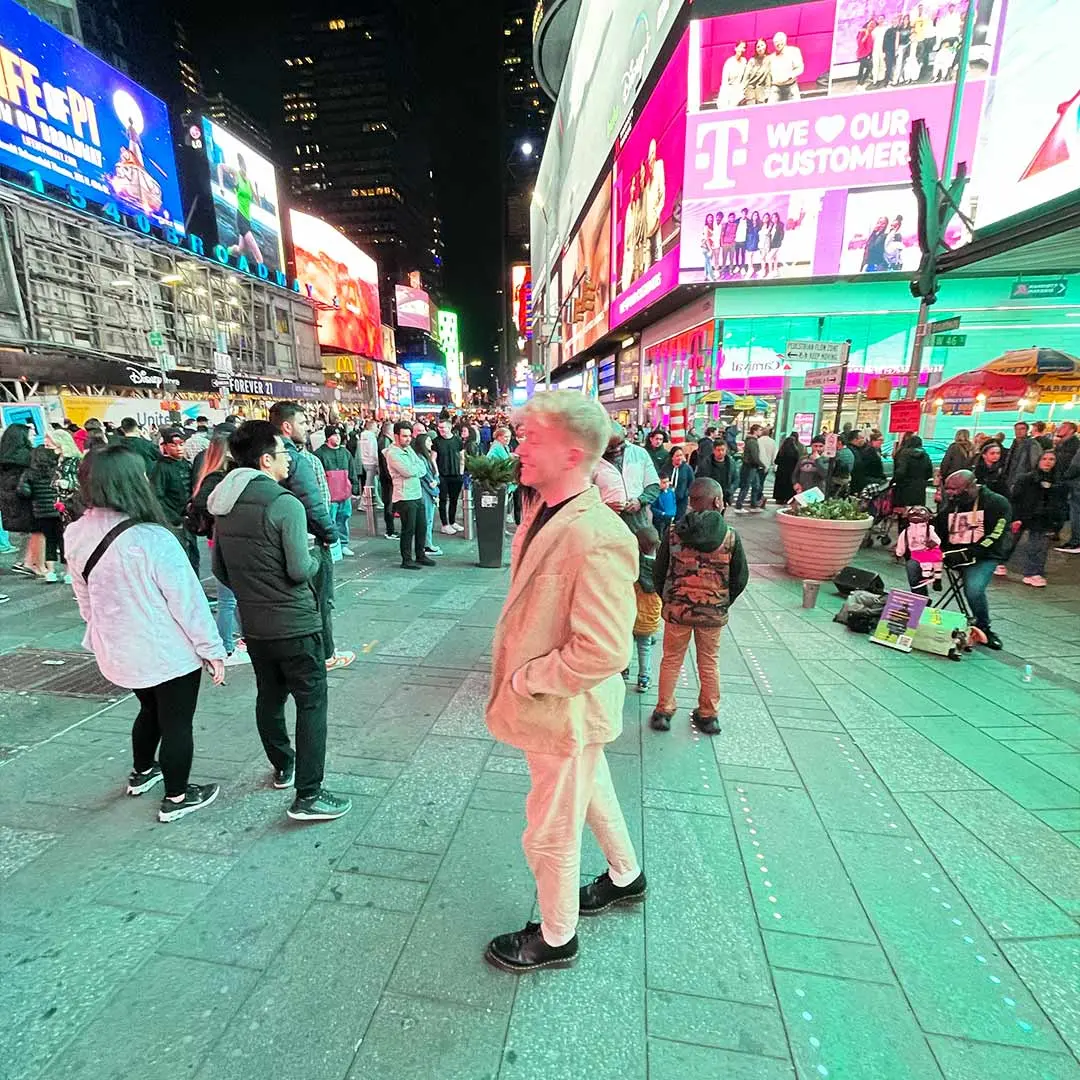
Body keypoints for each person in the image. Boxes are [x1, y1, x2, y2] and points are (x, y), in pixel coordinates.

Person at [483, 391, 644, 974]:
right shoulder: (544, 509)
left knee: (549, 828)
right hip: (566, 707)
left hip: (563, 708)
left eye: (532, 439)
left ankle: (556, 936)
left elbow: (603, 648)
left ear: (573, 454)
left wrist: (528, 680)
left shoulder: (596, 533)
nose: (518, 446)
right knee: (593, 787)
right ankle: (626, 876)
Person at [67, 446, 225, 822]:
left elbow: (84, 599)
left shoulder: (75, 532)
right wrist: (211, 649)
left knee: (149, 708)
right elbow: (188, 603)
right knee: (176, 722)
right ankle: (177, 796)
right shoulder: (152, 538)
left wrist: (102, 633)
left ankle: (142, 773)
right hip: (165, 651)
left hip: (119, 650)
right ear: (132, 482)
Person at [209, 421, 351, 822]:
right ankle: (309, 793)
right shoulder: (284, 503)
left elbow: (220, 570)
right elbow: (297, 569)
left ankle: (284, 766)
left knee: (269, 697)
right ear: (266, 459)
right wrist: (318, 557)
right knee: (311, 702)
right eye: (283, 453)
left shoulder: (225, 504)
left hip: (255, 625)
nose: (290, 460)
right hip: (295, 623)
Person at [651, 478, 748, 735]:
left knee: (671, 659)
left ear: (692, 502)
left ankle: (663, 710)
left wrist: (670, 600)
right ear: (717, 501)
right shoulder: (730, 536)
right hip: (713, 613)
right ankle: (708, 714)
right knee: (709, 661)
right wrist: (722, 602)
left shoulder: (673, 533)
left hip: (677, 612)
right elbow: (740, 578)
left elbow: (659, 571)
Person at [906, 469, 1011, 649]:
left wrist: (970, 553)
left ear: (971, 487)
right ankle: (922, 608)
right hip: (951, 553)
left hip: (983, 556)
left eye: (954, 489)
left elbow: (996, 535)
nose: (950, 493)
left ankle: (984, 627)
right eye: (947, 489)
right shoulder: (953, 504)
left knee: (974, 590)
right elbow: (938, 531)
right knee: (913, 563)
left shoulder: (996, 502)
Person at [190, 431, 247, 666]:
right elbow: (202, 502)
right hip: (223, 540)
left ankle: (239, 640)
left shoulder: (208, 475)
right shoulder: (217, 478)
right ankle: (226, 646)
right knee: (228, 598)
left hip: (219, 540)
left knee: (233, 596)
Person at [1011, 450, 1067, 587]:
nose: (1048, 462)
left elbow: (1060, 503)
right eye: (1045, 459)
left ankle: (1034, 572)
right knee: (1011, 542)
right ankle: (1001, 563)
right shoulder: (1025, 479)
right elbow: (1016, 499)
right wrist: (1016, 517)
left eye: (1051, 459)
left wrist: (1057, 522)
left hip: (1044, 518)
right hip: (1025, 515)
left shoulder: (1059, 483)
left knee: (1039, 546)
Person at [593, 422, 661, 532]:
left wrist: (640, 501)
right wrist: (603, 507)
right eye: (611, 448)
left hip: (639, 521)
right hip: (607, 524)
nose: (617, 450)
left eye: (620, 445)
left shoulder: (639, 453)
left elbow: (653, 485)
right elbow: (584, 497)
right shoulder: (592, 461)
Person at [384, 421, 433, 570]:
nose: (408, 439)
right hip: (404, 496)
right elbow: (408, 471)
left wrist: (415, 469)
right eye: (404, 436)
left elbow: (422, 467)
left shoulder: (409, 449)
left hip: (416, 493)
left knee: (421, 527)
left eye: (409, 436)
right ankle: (406, 559)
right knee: (408, 529)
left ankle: (420, 554)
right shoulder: (393, 453)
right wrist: (415, 470)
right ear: (396, 436)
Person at [151, 427, 198, 573]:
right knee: (181, 560)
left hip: (189, 520)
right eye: (173, 445)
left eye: (181, 444)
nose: (178, 448)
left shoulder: (186, 464)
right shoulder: (161, 468)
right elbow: (156, 497)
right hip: (174, 522)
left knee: (193, 557)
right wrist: (174, 518)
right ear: (165, 446)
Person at [17, 445, 66, 582]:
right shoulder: (56, 471)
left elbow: (23, 491)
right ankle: (68, 572)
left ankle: (50, 571)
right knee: (63, 541)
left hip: (40, 512)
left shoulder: (30, 473)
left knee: (49, 540)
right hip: (58, 510)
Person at [315, 425, 360, 557]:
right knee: (331, 521)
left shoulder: (345, 453)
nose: (338, 438)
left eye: (339, 435)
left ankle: (344, 544)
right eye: (335, 435)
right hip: (330, 495)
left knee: (343, 519)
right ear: (328, 437)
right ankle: (333, 546)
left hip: (344, 494)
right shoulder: (320, 454)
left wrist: (355, 486)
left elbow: (352, 471)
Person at [631, 526, 662, 693]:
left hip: (631, 615)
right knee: (645, 647)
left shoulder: (634, 565)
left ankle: (623, 670)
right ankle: (644, 678)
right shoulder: (659, 568)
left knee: (628, 642)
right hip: (650, 617)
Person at [432, 419, 465, 534]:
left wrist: (461, 472)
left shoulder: (457, 440)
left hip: (456, 474)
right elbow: (433, 459)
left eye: (443, 427)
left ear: (450, 427)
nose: (441, 430)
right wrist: (437, 473)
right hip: (442, 475)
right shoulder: (436, 441)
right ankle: (444, 524)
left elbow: (462, 457)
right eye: (439, 427)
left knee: (454, 500)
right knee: (443, 500)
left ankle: (452, 521)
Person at [414, 431, 443, 558]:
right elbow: (427, 478)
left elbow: (434, 476)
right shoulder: (421, 458)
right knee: (427, 519)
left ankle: (427, 543)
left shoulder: (427, 457)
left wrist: (435, 483)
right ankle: (426, 544)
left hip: (429, 491)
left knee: (429, 519)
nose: (431, 443)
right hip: (426, 492)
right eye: (428, 441)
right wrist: (434, 489)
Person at [1054, 421, 1080, 553]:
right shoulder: (1062, 444)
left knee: (1075, 512)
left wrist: (1065, 476)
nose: (1059, 428)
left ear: (1071, 430)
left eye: (1063, 427)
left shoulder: (1074, 445)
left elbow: (1075, 466)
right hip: (1065, 481)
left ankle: (1076, 542)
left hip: (1072, 483)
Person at [892, 434, 934, 511]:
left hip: (904, 488)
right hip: (920, 487)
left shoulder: (904, 454)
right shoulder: (925, 455)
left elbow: (900, 472)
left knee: (904, 511)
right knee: (917, 511)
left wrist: (894, 481)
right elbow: (929, 472)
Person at [696, 439, 738, 507]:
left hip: (725, 495)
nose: (721, 452)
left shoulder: (731, 463)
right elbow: (699, 479)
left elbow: (736, 479)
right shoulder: (706, 463)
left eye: (722, 450)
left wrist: (731, 490)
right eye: (718, 450)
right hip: (710, 496)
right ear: (713, 450)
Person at [735, 424, 766, 512]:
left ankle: (753, 505)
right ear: (755, 431)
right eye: (760, 430)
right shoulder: (752, 442)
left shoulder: (751, 441)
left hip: (753, 466)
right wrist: (762, 465)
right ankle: (739, 506)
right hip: (750, 466)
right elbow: (754, 456)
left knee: (756, 485)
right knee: (746, 486)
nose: (761, 432)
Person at [770, 31, 804, 101]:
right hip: (776, 87)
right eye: (776, 42)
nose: (778, 43)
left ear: (785, 41)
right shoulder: (771, 57)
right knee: (769, 109)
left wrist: (788, 76)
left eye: (781, 41)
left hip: (791, 86)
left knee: (796, 108)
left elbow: (800, 68)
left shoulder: (794, 51)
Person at [377, 420, 396, 538]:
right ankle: (390, 530)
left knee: (389, 503)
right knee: (389, 504)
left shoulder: (384, 440)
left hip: (387, 477)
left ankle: (391, 530)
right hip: (387, 478)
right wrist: (391, 476)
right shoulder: (385, 442)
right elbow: (385, 461)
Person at [356, 419, 381, 507]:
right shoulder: (371, 436)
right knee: (370, 483)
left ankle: (372, 501)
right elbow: (373, 451)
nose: (377, 429)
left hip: (364, 461)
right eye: (376, 427)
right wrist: (377, 463)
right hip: (371, 461)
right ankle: (364, 503)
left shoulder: (362, 435)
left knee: (370, 482)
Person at [772, 432, 802, 504]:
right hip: (791, 471)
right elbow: (797, 461)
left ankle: (780, 498)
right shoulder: (795, 451)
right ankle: (788, 498)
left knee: (780, 485)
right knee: (789, 486)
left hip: (781, 471)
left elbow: (776, 461)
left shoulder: (782, 451)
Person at [668, 446, 695, 520]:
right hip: (668, 498)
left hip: (682, 499)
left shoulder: (687, 468)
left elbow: (691, 483)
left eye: (681, 455)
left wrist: (687, 493)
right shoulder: (666, 467)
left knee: (679, 520)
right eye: (677, 456)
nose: (679, 458)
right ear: (672, 457)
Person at [718, 40, 747, 108]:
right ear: (736, 48)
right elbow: (724, 82)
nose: (742, 49)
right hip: (728, 88)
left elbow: (744, 79)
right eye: (740, 47)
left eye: (744, 48)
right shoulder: (729, 62)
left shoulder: (744, 61)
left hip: (739, 89)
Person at [743, 38, 772, 105]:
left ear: (766, 46)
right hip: (750, 87)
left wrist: (768, 89)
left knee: (761, 104)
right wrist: (743, 89)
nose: (760, 48)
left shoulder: (770, 59)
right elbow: (746, 77)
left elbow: (769, 76)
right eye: (758, 47)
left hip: (762, 87)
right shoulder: (752, 61)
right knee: (751, 104)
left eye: (762, 45)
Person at [856, 18, 875, 85]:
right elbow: (860, 43)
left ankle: (859, 81)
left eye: (873, 25)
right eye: (870, 24)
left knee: (861, 67)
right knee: (870, 66)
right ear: (867, 25)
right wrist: (866, 35)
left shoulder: (871, 34)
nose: (872, 26)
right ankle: (863, 80)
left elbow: (871, 45)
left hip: (867, 54)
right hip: (861, 54)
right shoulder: (863, 32)